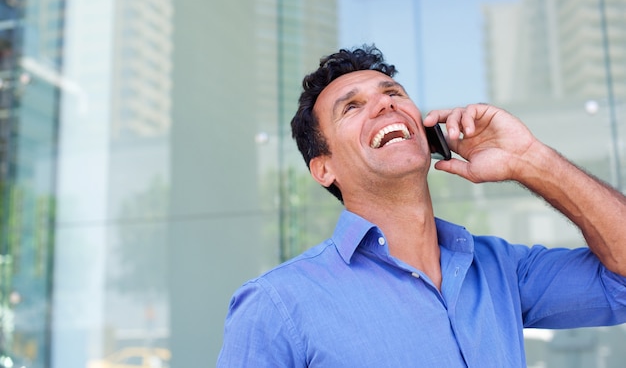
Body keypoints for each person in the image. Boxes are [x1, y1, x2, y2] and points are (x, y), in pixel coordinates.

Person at [217, 45, 626, 367]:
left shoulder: (502, 270)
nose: (385, 104)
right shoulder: (276, 305)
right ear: (323, 169)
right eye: (352, 107)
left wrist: (530, 160)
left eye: (393, 93)